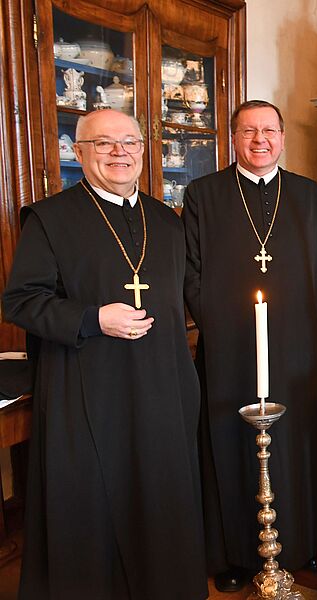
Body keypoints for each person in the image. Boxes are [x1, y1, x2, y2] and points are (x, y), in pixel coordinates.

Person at [2, 109, 206, 599]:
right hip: (86, 389)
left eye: (130, 142)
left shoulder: (166, 219)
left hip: (161, 386)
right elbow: (20, 301)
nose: (120, 152)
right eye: (104, 143)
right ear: (79, 152)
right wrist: (94, 319)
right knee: (94, 505)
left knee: (161, 494)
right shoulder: (50, 218)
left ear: (143, 150)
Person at [182, 100, 317, 592]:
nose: (260, 140)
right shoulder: (203, 194)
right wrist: (221, 326)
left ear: (282, 137)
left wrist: (300, 324)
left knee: (298, 440)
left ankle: (302, 543)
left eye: (269, 131)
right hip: (229, 349)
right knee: (229, 441)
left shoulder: (307, 194)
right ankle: (234, 555)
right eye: (249, 131)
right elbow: (190, 272)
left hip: (297, 347)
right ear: (233, 139)